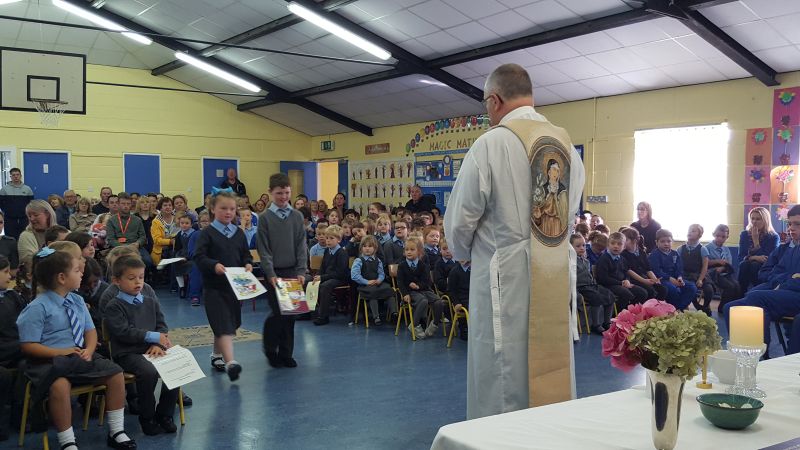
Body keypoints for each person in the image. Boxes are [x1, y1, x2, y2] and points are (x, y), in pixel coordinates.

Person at [444, 63, 584, 419]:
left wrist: (462, 254)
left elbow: (460, 219)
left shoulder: (491, 144)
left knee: (501, 366)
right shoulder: (567, 146)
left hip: (503, 276)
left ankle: (497, 438)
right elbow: (569, 215)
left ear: (494, 100)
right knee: (550, 360)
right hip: (554, 272)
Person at [16, 248, 136, 450]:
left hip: (78, 356)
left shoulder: (77, 300)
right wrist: (61, 352)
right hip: (48, 360)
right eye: (76, 270)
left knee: (116, 374)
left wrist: (89, 349)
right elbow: (28, 345)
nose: (81, 273)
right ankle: (67, 441)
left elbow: (90, 331)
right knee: (60, 386)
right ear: (62, 278)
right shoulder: (37, 307)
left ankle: (116, 431)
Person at [104, 256, 179, 436]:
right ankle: (147, 417)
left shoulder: (150, 301)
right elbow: (124, 332)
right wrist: (153, 337)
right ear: (116, 281)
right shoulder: (114, 306)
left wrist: (157, 343)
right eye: (131, 278)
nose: (138, 282)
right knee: (148, 372)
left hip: (152, 349)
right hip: (127, 353)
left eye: (141, 277)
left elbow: (161, 326)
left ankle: (165, 414)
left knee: (176, 365)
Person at [193, 190, 252, 381]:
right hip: (214, 287)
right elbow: (199, 257)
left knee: (229, 323)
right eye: (223, 208)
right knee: (224, 324)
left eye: (232, 209)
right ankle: (231, 363)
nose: (228, 212)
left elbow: (245, 254)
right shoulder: (207, 233)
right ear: (213, 209)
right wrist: (214, 265)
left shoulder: (239, 233)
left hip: (234, 287)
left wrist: (248, 264)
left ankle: (216, 354)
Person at [724, 205, 800, 350]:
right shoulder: (792, 249)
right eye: (790, 224)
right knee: (730, 307)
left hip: (794, 294)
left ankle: (758, 353)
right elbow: (773, 272)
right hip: (781, 290)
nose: (791, 228)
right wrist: (785, 280)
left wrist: (784, 283)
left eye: (797, 224)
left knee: (756, 297)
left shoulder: (781, 243)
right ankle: (745, 351)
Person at [257, 173, 307, 369]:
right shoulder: (265, 218)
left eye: (287, 193)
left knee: (291, 314)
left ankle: (286, 353)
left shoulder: (297, 216)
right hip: (274, 273)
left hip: (292, 270)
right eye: (279, 193)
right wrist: (270, 274)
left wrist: (301, 271)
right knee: (278, 313)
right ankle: (270, 349)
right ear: (270, 192)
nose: (283, 197)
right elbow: (264, 249)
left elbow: (301, 245)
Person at [397, 237, 443, 338]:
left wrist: (418, 286)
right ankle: (414, 325)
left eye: (412, 249)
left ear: (419, 252)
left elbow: (427, 281)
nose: (409, 252)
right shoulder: (402, 266)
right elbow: (400, 282)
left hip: (424, 290)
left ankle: (434, 324)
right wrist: (405, 294)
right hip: (411, 292)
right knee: (423, 301)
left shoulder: (423, 265)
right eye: (407, 249)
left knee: (439, 302)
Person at [0, 255, 24, 440]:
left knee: (29, 365)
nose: (10, 276)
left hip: (16, 348)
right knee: (4, 376)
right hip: (5, 350)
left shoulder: (12, 296)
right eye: (5, 272)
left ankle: (22, 417)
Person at [571, 234, 614, 335]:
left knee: (609, 295)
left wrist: (594, 282)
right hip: (581, 287)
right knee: (596, 298)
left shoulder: (586, 261)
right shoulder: (571, 261)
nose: (582, 248)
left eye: (583, 245)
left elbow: (589, 275)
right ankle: (596, 325)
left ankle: (607, 322)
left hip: (591, 285)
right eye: (578, 246)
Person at [595, 232, 648, 309]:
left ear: (624, 247)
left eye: (619, 244)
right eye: (613, 243)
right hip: (609, 285)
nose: (616, 246)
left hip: (622, 283)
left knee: (642, 293)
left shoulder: (622, 259)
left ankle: (633, 312)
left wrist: (627, 280)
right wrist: (621, 283)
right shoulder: (604, 259)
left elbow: (626, 272)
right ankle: (618, 314)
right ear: (608, 245)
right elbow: (603, 278)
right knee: (626, 294)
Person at [351, 236, 395, 326]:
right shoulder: (359, 260)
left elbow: (381, 273)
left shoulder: (378, 260)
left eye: (370, 246)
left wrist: (379, 280)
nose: (367, 248)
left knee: (389, 290)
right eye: (365, 246)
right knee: (373, 292)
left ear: (375, 248)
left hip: (377, 283)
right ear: (361, 248)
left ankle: (394, 313)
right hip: (365, 285)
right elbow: (355, 276)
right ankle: (376, 316)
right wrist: (366, 282)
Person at [648, 229, 697, 310]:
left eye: (669, 241)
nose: (666, 244)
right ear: (656, 242)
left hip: (675, 278)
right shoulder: (654, 255)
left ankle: (679, 308)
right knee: (673, 289)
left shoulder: (675, 253)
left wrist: (679, 277)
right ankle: (673, 309)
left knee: (692, 287)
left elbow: (679, 268)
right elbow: (657, 271)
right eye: (662, 241)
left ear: (672, 241)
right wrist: (670, 279)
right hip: (662, 279)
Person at [312, 225, 349, 326]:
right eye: (327, 238)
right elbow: (322, 267)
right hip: (328, 277)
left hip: (339, 279)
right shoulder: (327, 251)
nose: (328, 240)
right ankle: (308, 312)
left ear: (339, 240)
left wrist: (322, 277)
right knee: (309, 282)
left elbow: (340, 273)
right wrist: (318, 276)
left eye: (331, 238)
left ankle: (323, 316)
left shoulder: (342, 253)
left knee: (325, 286)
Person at [738, 206, 780, 292]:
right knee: (744, 264)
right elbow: (741, 256)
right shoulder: (744, 234)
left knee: (755, 265)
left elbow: (767, 259)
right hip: (747, 264)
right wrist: (754, 257)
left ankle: (757, 292)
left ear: (765, 220)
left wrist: (756, 241)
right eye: (752, 218)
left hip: (765, 268)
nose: (754, 222)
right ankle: (741, 293)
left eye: (758, 219)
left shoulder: (773, 237)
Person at [106, 193, 152, 267]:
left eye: (128, 204)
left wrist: (138, 243)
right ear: (118, 204)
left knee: (148, 261)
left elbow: (143, 236)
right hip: (118, 248)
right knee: (115, 263)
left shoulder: (137, 220)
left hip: (135, 247)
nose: (126, 206)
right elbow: (111, 239)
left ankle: (143, 275)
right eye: (123, 203)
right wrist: (124, 247)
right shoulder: (111, 220)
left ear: (131, 205)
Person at [620, 227, 666, 300]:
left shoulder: (642, 252)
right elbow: (628, 271)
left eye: (625, 240)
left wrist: (655, 280)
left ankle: (657, 306)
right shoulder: (623, 254)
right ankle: (646, 307)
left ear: (634, 241)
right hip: (633, 279)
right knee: (649, 291)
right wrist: (644, 281)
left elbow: (648, 269)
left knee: (662, 289)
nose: (622, 243)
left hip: (644, 277)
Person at [678, 224, 713, 315]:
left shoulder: (702, 249)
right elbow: (677, 265)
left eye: (693, 231)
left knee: (709, 290)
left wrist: (700, 279)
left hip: (699, 274)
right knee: (690, 288)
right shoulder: (680, 249)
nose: (690, 232)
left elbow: (705, 266)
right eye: (689, 230)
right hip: (685, 275)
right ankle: (696, 306)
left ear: (699, 235)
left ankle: (705, 307)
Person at [704, 224, 740, 312]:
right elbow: (704, 263)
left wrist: (723, 268)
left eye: (723, 237)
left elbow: (729, 263)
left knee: (737, 286)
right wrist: (717, 261)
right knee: (730, 287)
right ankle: (722, 308)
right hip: (712, 274)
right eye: (718, 236)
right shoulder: (707, 248)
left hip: (724, 273)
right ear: (713, 234)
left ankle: (732, 306)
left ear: (727, 237)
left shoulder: (726, 249)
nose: (720, 238)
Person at [18, 200, 57, 270]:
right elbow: (29, 261)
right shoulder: (26, 236)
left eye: (36, 215)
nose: (32, 219)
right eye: (29, 216)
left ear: (48, 214)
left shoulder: (62, 232)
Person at [0, 168, 34, 239]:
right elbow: (1, 203)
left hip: (24, 219)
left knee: (24, 237)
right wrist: (7, 211)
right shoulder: (4, 189)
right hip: (9, 219)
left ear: (20, 176)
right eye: (13, 175)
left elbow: (31, 204)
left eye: (17, 174)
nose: (16, 176)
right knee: (10, 239)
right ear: (10, 177)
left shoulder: (27, 189)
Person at [447, 259, 471, 340]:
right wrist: (456, 302)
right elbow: (451, 290)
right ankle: (464, 329)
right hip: (461, 299)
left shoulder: (473, 270)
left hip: (472, 296)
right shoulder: (454, 271)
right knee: (470, 306)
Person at [150, 197, 177, 266]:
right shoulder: (156, 221)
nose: (168, 207)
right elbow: (157, 240)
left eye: (170, 205)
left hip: (176, 247)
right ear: (160, 208)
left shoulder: (177, 218)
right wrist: (171, 241)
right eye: (165, 205)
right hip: (162, 250)